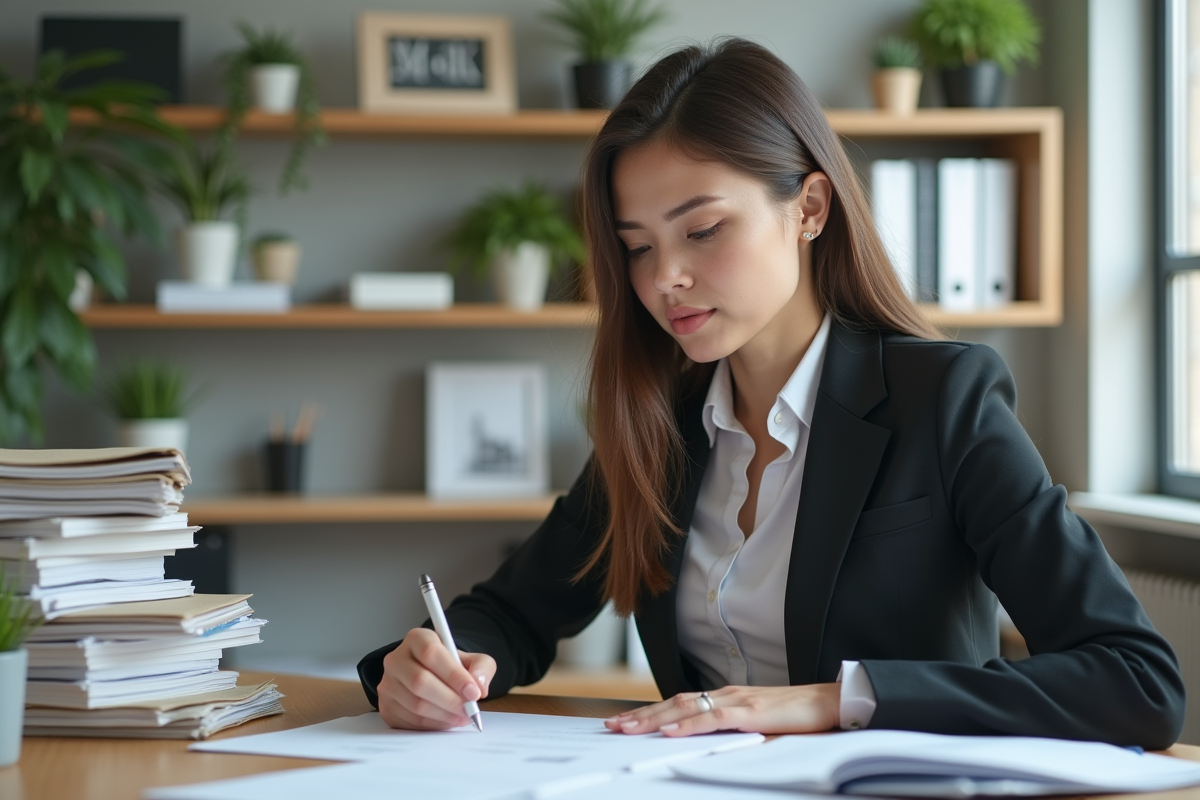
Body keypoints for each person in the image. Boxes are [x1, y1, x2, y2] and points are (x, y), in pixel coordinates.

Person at [358, 38, 1184, 748]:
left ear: (810, 208)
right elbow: (513, 613)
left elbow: (1136, 680)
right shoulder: (663, 425)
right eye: (637, 248)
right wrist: (433, 665)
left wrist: (831, 702)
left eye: (704, 230)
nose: (664, 279)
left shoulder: (943, 401)